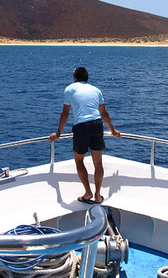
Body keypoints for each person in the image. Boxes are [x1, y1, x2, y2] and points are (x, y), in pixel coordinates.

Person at [49, 67, 121, 204]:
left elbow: (65, 113)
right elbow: (104, 113)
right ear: (87, 78)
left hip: (81, 127)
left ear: (75, 78)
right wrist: (112, 130)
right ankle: (98, 196)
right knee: (98, 163)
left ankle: (88, 193)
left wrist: (58, 132)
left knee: (79, 160)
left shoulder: (69, 89)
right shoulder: (96, 90)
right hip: (97, 124)